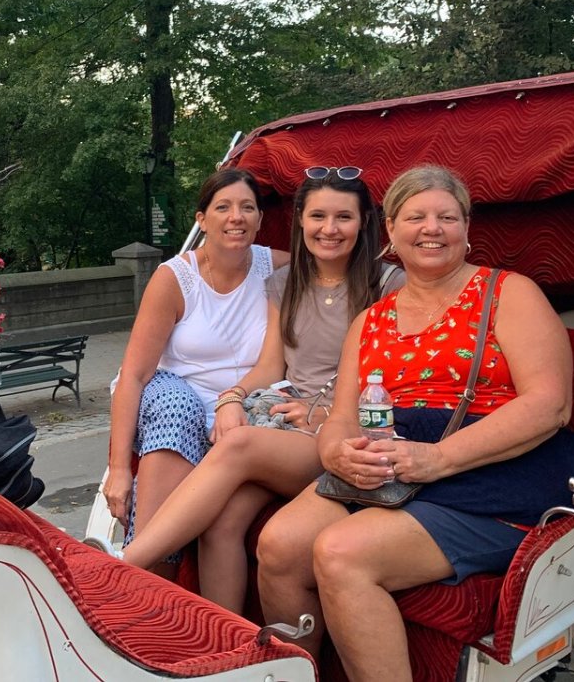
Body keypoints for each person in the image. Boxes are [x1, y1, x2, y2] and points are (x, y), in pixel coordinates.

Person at [255, 164, 574, 681]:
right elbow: (340, 419)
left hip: (493, 470)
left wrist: (436, 458)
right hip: (391, 466)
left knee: (342, 553)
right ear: (390, 230)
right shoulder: (371, 319)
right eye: (416, 217)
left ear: (467, 228)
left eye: (447, 217)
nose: (432, 228)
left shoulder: (508, 292)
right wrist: (338, 453)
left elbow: (549, 405)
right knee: (278, 545)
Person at [117, 166, 403, 611]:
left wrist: (326, 413)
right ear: (301, 223)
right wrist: (233, 398)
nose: (329, 229)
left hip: (342, 430)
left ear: (365, 222)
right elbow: (272, 363)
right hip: (286, 427)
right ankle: (224, 643)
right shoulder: (285, 282)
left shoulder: (388, 286)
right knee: (222, 523)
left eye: (343, 218)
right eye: (317, 217)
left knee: (241, 443)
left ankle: (120, 568)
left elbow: (395, 377)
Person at [102, 168, 288, 576]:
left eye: (246, 207)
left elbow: (338, 281)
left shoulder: (279, 270)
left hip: (241, 401)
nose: (235, 217)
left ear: (259, 219)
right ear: (201, 219)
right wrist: (118, 471)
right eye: (223, 207)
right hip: (171, 394)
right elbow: (133, 375)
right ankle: (143, 578)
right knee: (177, 406)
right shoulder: (174, 278)